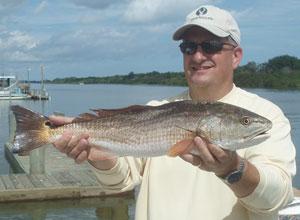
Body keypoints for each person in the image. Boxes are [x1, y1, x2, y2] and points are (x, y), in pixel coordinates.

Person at [49, 5, 296, 220]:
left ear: (236, 56)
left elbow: (277, 198)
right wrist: (98, 154)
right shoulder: (156, 108)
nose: (198, 56)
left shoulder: (266, 115)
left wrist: (233, 168)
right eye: (188, 47)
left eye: (210, 45)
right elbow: (119, 182)